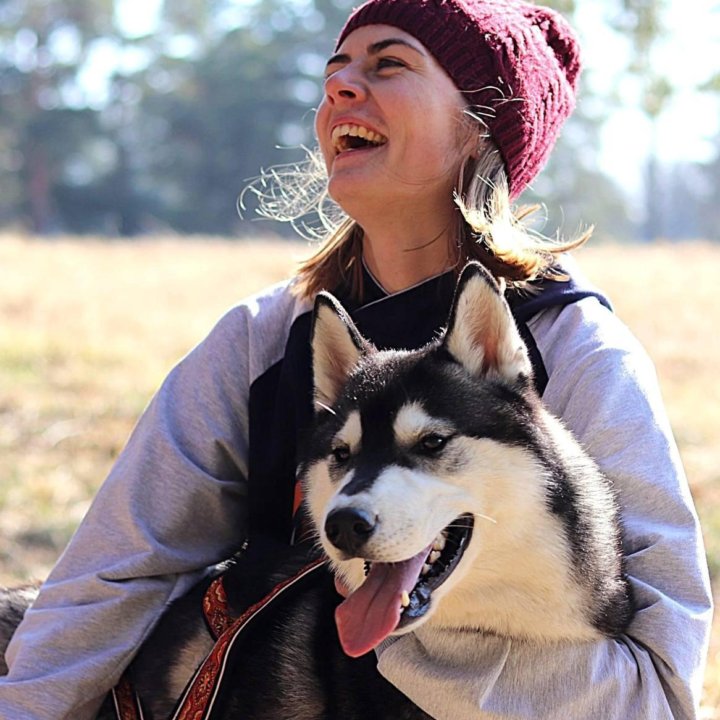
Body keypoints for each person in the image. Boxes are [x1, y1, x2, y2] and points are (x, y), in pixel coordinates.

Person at [0, 0, 712, 717]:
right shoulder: (263, 336)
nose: (339, 87)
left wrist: (395, 637)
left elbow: (657, 686)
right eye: (335, 69)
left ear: (479, 126)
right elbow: (117, 571)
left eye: (389, 64)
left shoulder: (574, 347)